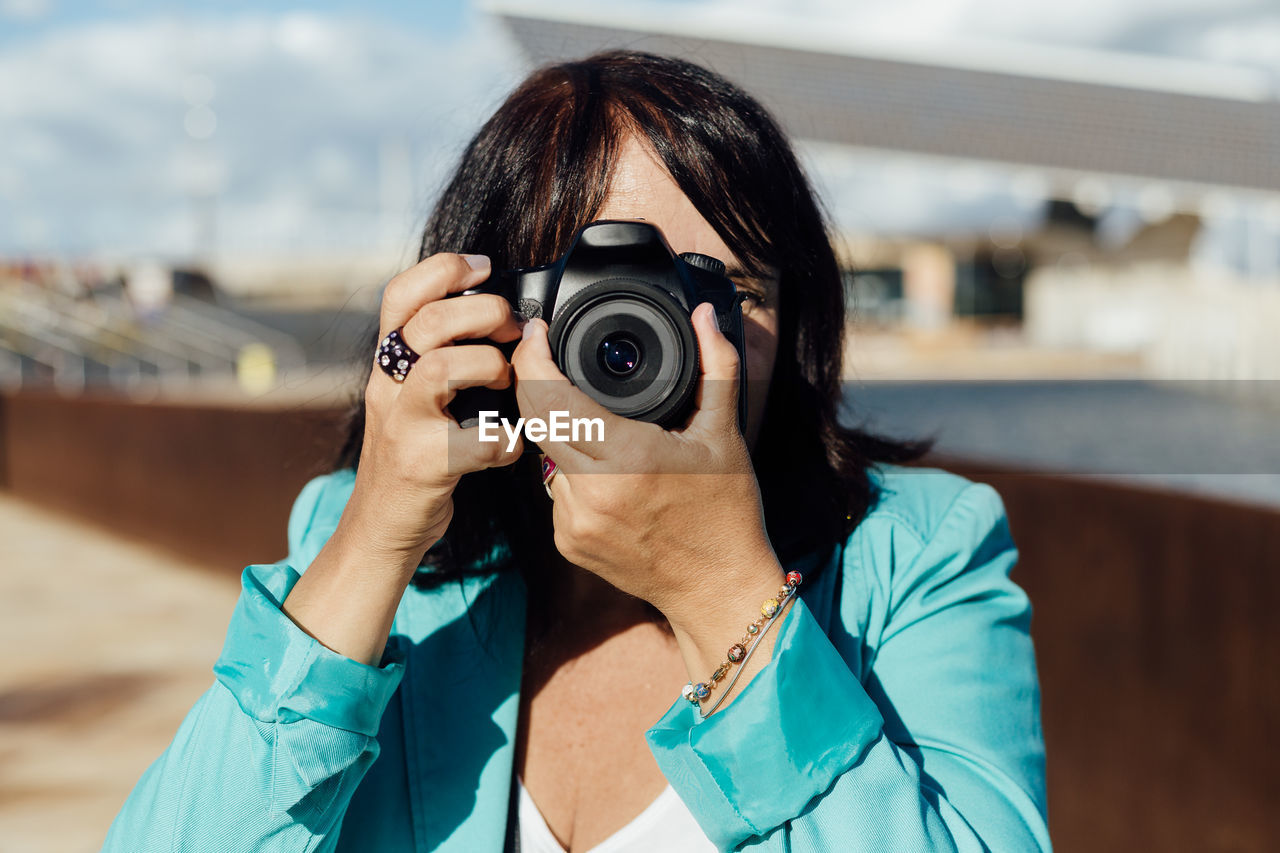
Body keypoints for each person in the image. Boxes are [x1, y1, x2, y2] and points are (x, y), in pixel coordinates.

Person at [102, 51, 1049, 852]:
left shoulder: (918, 552)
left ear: (796, 322)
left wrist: (723, 595)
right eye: (602, 298)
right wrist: (374, 536)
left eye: (724, 289)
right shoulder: (381, 556)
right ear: (488, 318)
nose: (658, 341)